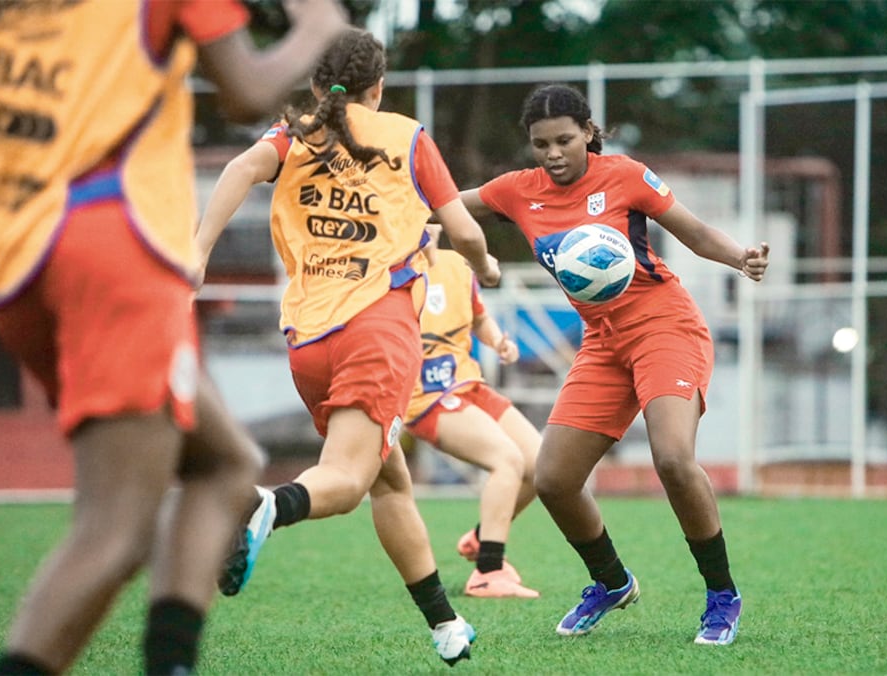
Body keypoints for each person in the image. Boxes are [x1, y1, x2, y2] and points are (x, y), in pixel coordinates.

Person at [0, 1, 349, 673]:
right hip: (111, 242)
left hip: (5, 251)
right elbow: (246, 90)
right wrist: (320, 27)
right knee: (116, 528)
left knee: (224, 466)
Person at [194, 28, 500, 666]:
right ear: (379, 87)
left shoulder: (298, 133)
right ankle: (262, 505)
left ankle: (445, 624)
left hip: (309, 339)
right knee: (348, 479)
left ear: (314, 83)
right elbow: (465, 231)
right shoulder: (407, 136)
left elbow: (237, 168)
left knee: (391, 483)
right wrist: (486, 267)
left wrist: (197, 252)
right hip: (377, 326)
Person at [460, 83, 770, 646]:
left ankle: (722, 596)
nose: (553, 153)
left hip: (665, 326)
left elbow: (696, 234)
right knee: (553, 479)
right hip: (603, 342)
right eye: (541, 144)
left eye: (564, 140)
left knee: (673, 458)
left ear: (587, 134)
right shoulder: (516, 192)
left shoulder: (624, 175)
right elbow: (446, 205)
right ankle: (611, 582)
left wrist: (739, 256)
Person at [405, 225, 542, 599]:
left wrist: (498, 340)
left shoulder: (455, 267)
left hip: (470, 384)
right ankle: (487, 572)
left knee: (541, 465)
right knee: (507, 460)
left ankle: (483, 540)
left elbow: (478, 316)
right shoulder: (387, 273)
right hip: (425, 394)